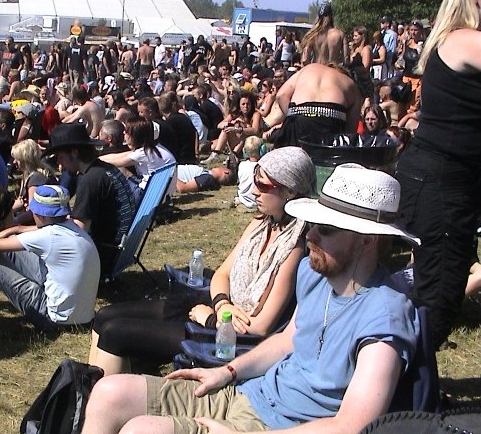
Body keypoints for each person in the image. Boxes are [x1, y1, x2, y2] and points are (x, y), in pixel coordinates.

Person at [81, 164, 419, 434]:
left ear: (367, 241)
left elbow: (351, 425)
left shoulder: (385, 316)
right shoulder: (315, 274)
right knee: (109, 393)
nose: (311, 234)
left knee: (143, 430)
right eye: (314, 223)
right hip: (249, 394)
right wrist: (228, 371)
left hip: (281, 427)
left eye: (326, 228)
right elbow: (286, 341)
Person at [89, 147, 315, 375]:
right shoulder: (262, 222)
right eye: (255, 181)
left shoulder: (295, 246)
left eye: (263, 185)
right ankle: (89, 387)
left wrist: (212, 320)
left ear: (291, 190)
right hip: (220, 309)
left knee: (114, 333)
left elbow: (262, 326)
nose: (254, 191)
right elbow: (222, 274)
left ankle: (103, 392)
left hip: (231, 339)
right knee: (105, 315)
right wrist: (222, 304)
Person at [396, 0, 481, 349]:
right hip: (440, 181)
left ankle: (411, 376)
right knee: (439, 296)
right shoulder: (465, 40)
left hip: (440, 178)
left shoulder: (450, 40)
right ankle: (403, 379)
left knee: (435, 286)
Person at [0, 185, 100, 330]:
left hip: (53, 320)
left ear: (42, 216)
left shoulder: (48, 236)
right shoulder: (71, 226)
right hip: (82, 318)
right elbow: (16, 230)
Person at [47, 123, 136, 276]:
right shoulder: (106, 169)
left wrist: (42, 227)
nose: (59, 164)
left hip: (102, 256)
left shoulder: (90, 180)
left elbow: (78, 230)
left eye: (60, 157)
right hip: (119, 249)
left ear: (74, 152)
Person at [266, 63, 361, 147]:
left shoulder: (309, 68)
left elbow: (281, 95)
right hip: (332, 118)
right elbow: (350, 129)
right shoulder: (350, 83)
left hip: (301, 116)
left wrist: (292, 118)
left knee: (292, 157)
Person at [99, 116, 177, 195]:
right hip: (160, 193)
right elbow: (119, 156)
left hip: (147, 194)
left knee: (119, 169)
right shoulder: (153, 148)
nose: (123, 133)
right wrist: (98, 158)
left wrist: (96, 160)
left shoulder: (143, 153)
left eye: (126, 131)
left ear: (135, 134)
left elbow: (116, 162)